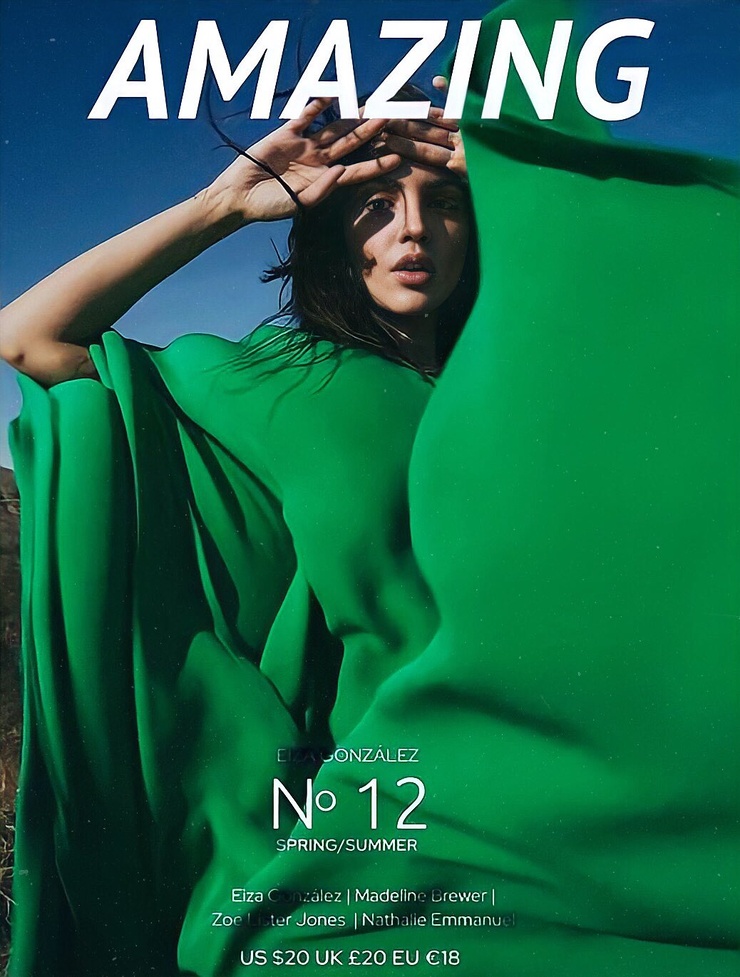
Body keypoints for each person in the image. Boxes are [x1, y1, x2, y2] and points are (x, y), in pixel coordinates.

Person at [0, 95, 476, 976]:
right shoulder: (275, 382)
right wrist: (222, 205)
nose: (414, 228)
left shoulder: (530, 393)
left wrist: (534, 184)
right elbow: (29, 336)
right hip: (362, 833)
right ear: (332, 233)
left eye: (444, 202)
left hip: (532, 803)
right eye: (377, 203)